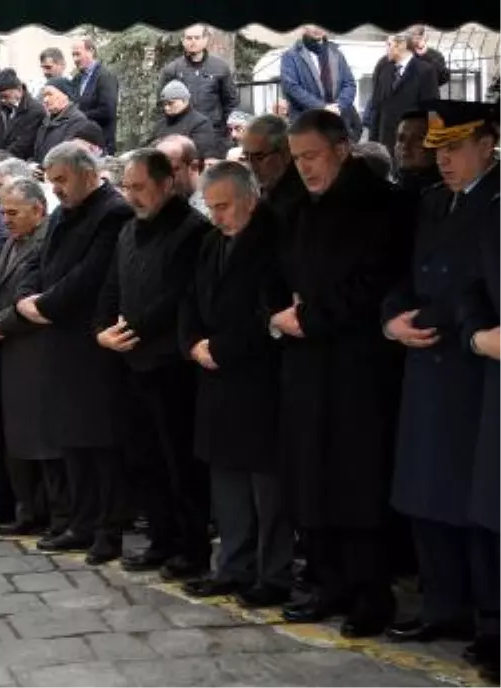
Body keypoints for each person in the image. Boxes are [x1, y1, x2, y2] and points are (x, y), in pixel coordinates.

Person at [270, 110, 409, 638]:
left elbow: (376, 281)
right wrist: (279, 312)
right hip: (306, 364)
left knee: (357, 481)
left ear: (342, 149)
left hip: (359, 368)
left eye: (312, 156)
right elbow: (273, 269)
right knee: (310, 477)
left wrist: (309, 317)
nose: (303, 168)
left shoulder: (381, 205)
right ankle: (327, 585)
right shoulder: (297, 205)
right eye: (297, 158)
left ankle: (370, 595)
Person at [385, 101, 500, 651]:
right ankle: (442, 603)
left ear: (487, 143)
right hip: (424, 360)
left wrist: (428, 321)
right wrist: (391, 319)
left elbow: (474, 287)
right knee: (425, 491)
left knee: (473, 501)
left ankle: (487, 617)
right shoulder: (432, 203)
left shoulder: (497, 203)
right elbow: (403, 272)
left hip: (470, 366)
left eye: (454, 148)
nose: (444, 160)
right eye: (439, 150)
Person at [9, 142, 134, 565]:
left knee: (101, 443)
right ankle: (79, 522)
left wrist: (43, 306)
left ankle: (107, 528)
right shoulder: (62, 214)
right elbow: (37, 261)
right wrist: (25, 298)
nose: (56, 189)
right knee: (71, 441)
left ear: (86, 173)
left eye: (62, 180)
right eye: (52, 181)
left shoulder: (112, 212)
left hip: (92, 342)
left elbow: (91, 276)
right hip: (59, 340)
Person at [178, 161, 292, 608]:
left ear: (251, 199)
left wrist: (220, 348)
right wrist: (192, 344)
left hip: (259, 379)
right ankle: (232, 565)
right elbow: (190, 299)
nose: (217, 216)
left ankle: (274, 573)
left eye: (224, 207)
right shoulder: (210, 242)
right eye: (211, 208)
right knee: (226, 481)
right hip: (215, 377)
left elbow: (270, 313)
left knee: (268, 488)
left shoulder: (274, 240)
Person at [96, 149, 209, 579]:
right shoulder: (128, 230)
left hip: (170, 366)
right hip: (130, 363)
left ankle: (190, 547)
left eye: (139, 187)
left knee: (180, 463)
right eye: (127, 187)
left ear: (165, 184)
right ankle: (161, 540)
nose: (131, 196)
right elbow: (111, 287)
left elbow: (178, 295)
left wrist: (131, 330)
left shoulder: (191, 230)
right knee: (144, 460)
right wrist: (102, 330)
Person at [0, 178, 66, 536]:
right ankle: (27, 510)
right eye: (2, 212)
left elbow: (35, 298)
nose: (5, 219)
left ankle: (55, 516)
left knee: (42, 440)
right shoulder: (12, 242)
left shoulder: (47, 242)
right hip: (10, 351)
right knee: (16, 438)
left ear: (38, 210)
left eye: (13, 212)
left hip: (37, 353)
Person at [278, 26, 361, 139]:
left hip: (336, 125)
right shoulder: (290, 56)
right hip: (307, 126)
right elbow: (292, 88)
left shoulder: (336, 53)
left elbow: (349, 84)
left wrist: (338, 107)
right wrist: (323, 108)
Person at [159, 24, 238, 140]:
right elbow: (161, 105)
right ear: (183, 40)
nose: (193, 42)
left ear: (205, 39)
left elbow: (231, 102)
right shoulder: (172, 69)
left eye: (197, 38)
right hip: (182, 135)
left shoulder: (220, 67)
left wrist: (230, 130)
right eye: (189, 38)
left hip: (214, 133)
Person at [366, 33, 440, 153]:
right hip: (385, 144)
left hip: (411, 144)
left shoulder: (425, 70)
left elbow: (431, 110)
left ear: (401, 45)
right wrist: (373, 143)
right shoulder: (384, 69)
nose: (386, 49)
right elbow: (376, 107)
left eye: (389, 44)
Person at [70, 38, 120, 153]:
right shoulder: (77, 79)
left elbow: (107, 111)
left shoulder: (105, 77)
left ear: (91, 51)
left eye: (78, 54)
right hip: (80, 144)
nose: (75, 59)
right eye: (73, 55)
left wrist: (78, 116)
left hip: (101, 145)